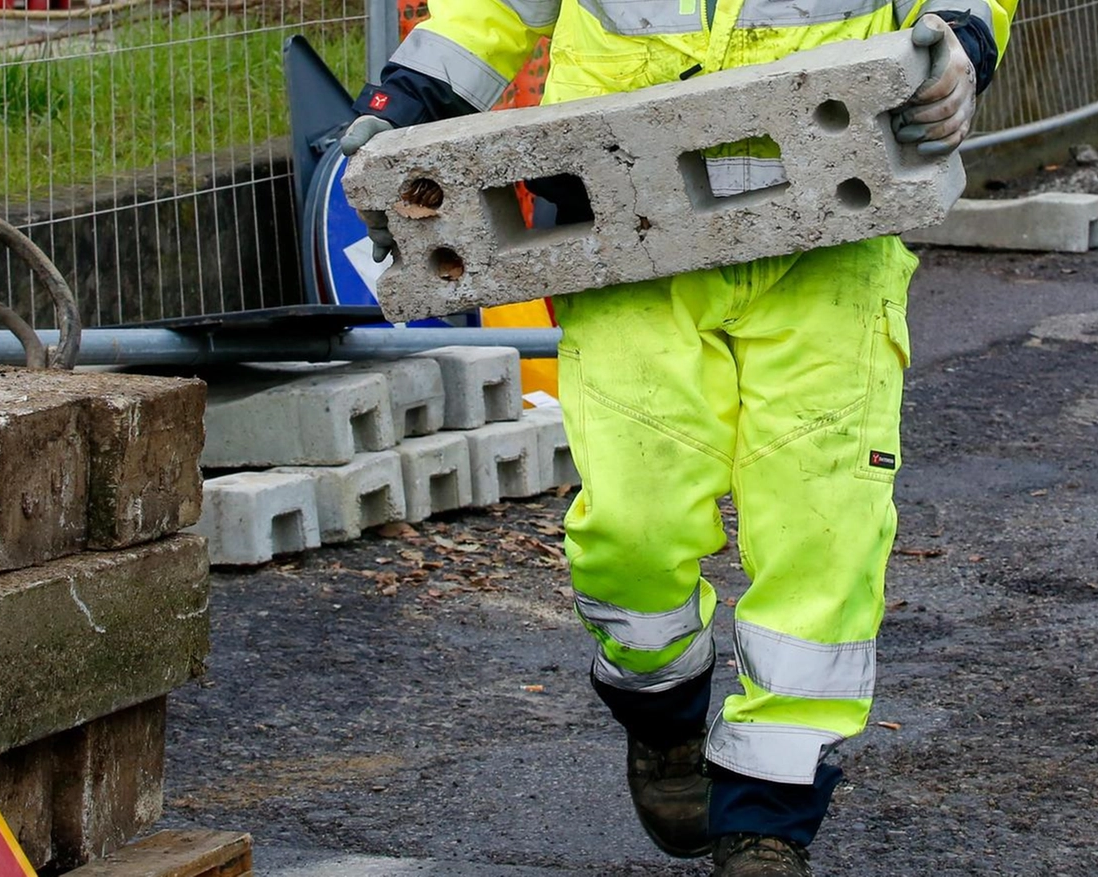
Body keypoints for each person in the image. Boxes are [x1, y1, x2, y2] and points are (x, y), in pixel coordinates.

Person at [340, 2, 1014, 874]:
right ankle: (662, 711)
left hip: (830, 227)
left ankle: (767, 824)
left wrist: (961, 40)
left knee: (824, 533)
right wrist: (406, 111)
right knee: (633, 529)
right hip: (627, 226)